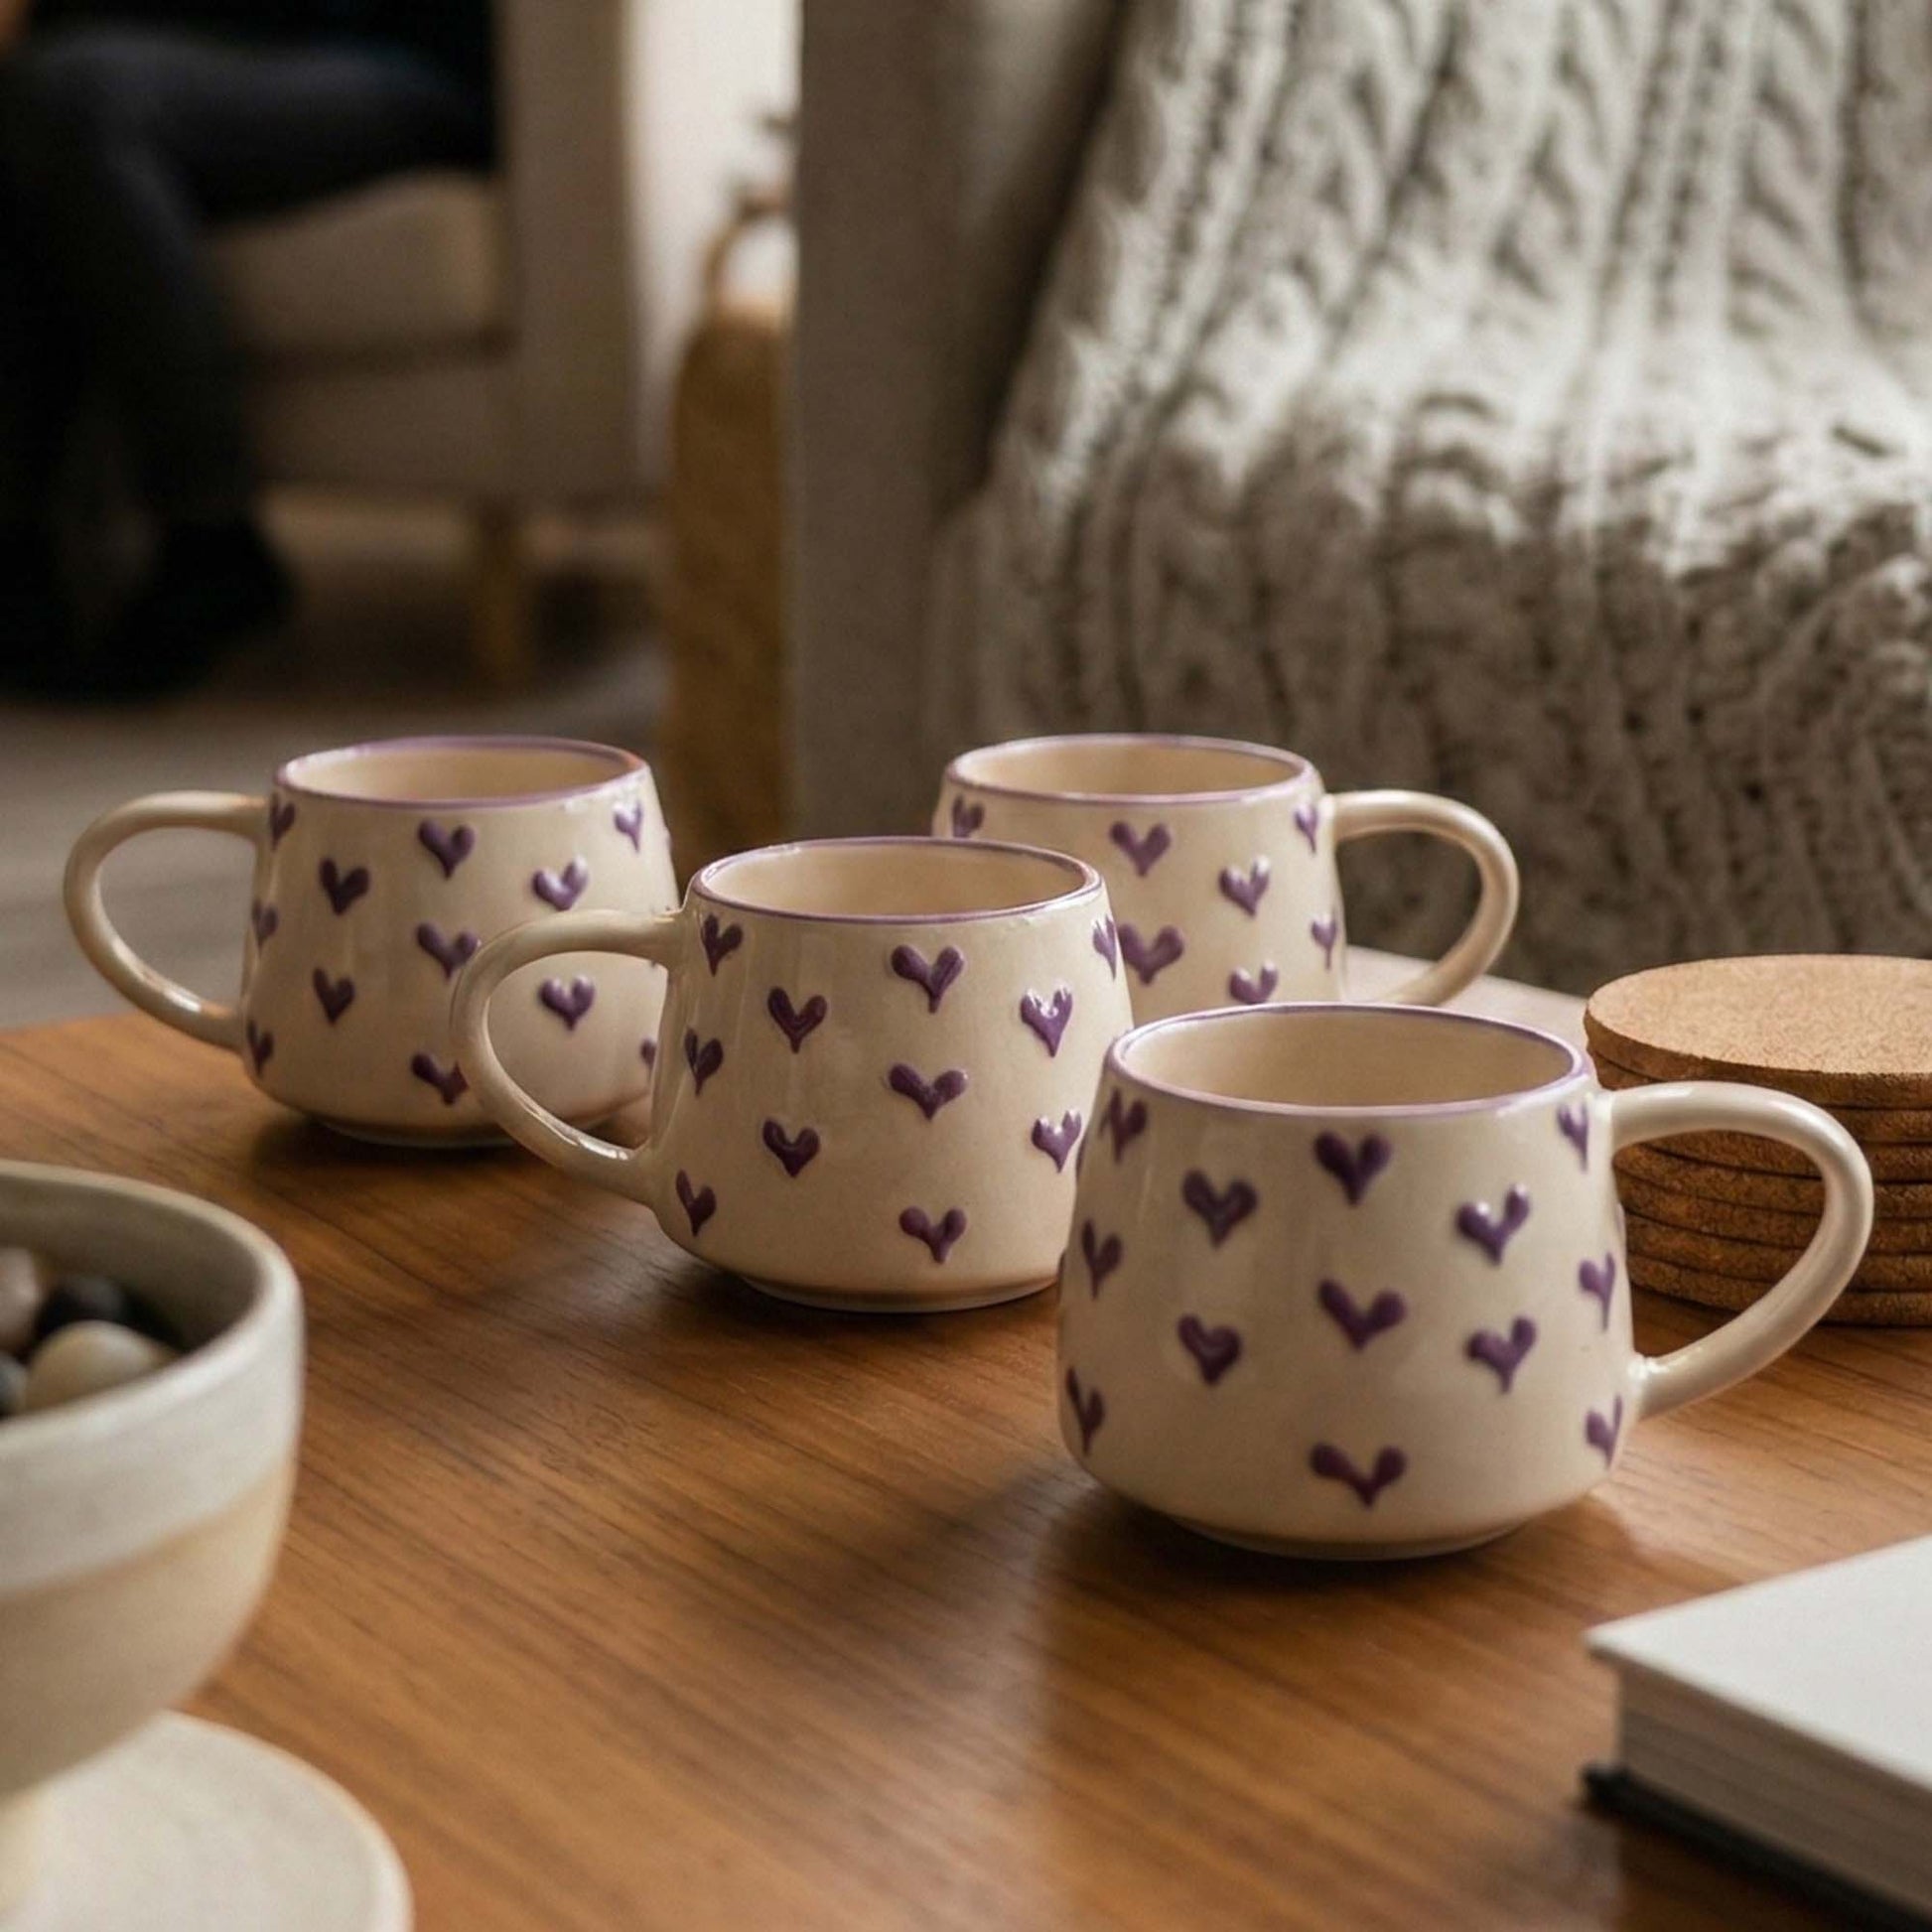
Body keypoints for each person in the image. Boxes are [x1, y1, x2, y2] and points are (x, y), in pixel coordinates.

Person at [0, 0, 494, 699]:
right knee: (40, 102)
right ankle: (28, 565)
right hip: (169, 57)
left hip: (386, 62)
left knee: (69, 95)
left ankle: (211, 539)